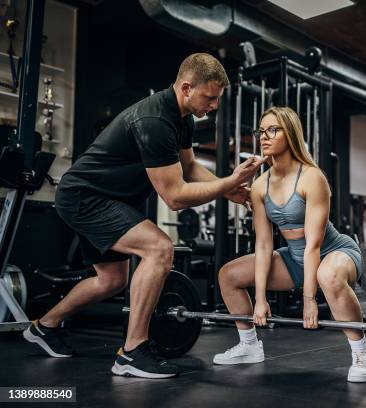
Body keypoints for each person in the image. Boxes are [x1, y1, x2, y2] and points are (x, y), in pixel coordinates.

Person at [22, 53, 266, 379]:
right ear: (186, 87)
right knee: (159, 248)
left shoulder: (183, 120)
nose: (214, 105)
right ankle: (133, 351)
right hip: (87, 197)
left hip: (107, 199)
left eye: (216, 98)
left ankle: (44, 326)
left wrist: (226, 189)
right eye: (209, 97)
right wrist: (229, 182)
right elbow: (175, 197)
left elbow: (190, 168)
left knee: (111, 281)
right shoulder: (154, 122)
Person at [213, 106, 366, 383]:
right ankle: (249, 345)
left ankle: (361, 352)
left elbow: (314, 245)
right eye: (261, 131)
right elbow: (263, 245)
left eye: (273, 129)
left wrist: (309, 300)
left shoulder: (312, 177)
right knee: (229, 275)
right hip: (295, 259)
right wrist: (260, 300)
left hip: (334, 252)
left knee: (327, 275)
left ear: (290, 133)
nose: (264, 136)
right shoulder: (260, 185)